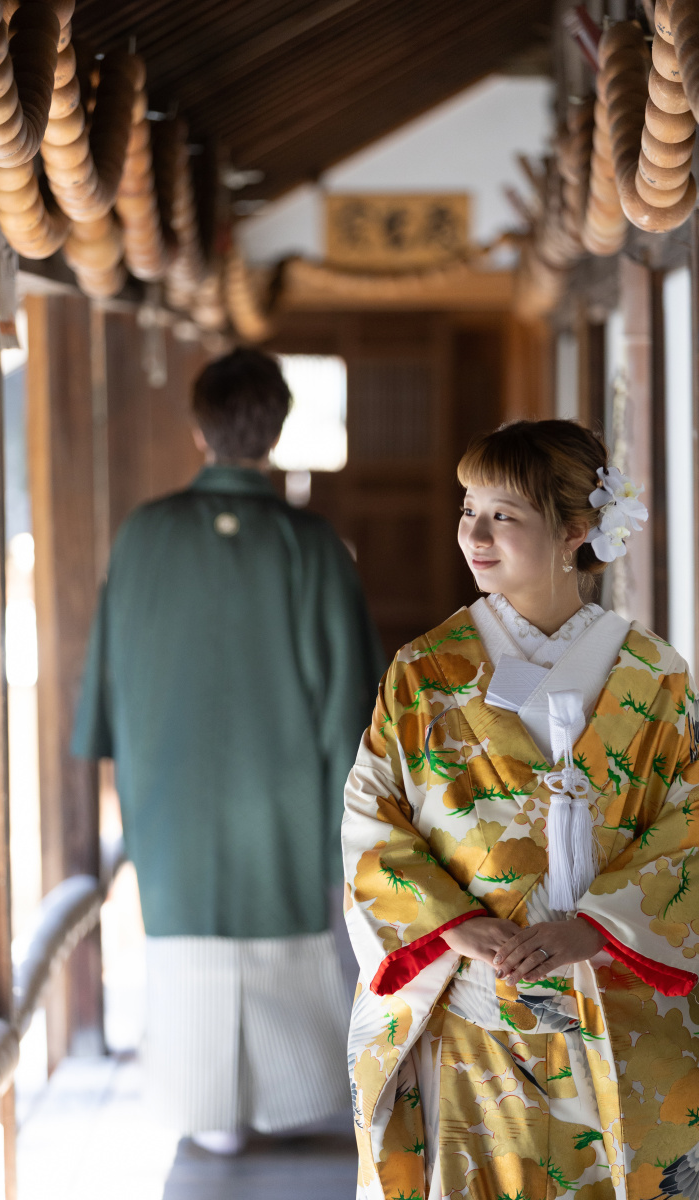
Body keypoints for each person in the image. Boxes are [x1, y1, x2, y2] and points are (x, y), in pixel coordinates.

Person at [342, 419, 699, 1200]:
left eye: (504, 514)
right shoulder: (426, 671)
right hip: (475, 1003)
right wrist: (456, 925)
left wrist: (593, 927)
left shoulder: (654, 674)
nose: (473, 532)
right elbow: (375, 816)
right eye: (468, 508)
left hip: (611, 1003)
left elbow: (690, 823)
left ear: (577, 530)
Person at [73, 347, 384, 1154]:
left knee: (186, 961)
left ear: (196, 427)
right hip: (283, 799)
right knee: (287, 946)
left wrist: (108, 765)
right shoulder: (312, 544)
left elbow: (105, 678)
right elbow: (349, 695)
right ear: (276, 431)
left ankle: (207, 1112)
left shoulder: (144, 534)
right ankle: (292, 1098)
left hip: (171, 795)